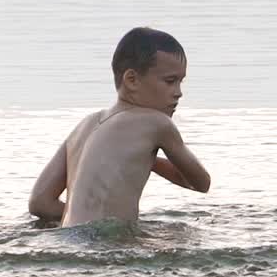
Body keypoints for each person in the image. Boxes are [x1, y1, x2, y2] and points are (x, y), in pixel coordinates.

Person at [28, 27, 210, 227]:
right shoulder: (157, 123)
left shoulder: (86, 125)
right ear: (131, 80)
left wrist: (81, 220)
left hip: (71, 238)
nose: (178, 93)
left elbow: (40, 203)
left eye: (180, 82)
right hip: (108, 247)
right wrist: (154, 162)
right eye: (170, 81)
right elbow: (201, 183)